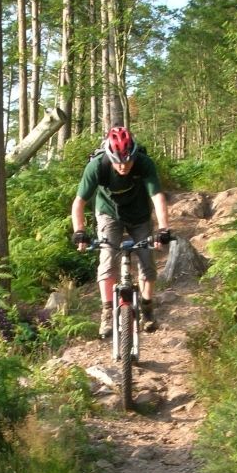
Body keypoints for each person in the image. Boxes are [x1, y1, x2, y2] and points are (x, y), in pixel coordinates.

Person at [71, 126, 171, 338]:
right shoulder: (97, 166)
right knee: (107, 258)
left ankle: (147, 307)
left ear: (134, 155)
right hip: (109, 213)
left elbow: (157, 197)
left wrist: (163, 229)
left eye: (127, 161)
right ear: (109, 156)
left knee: (147, 260)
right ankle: (107, 311)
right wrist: (79, 231)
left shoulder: (144, 163)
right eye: (117, 161)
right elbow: (79, 202)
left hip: (139, 214)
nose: (123, 166)